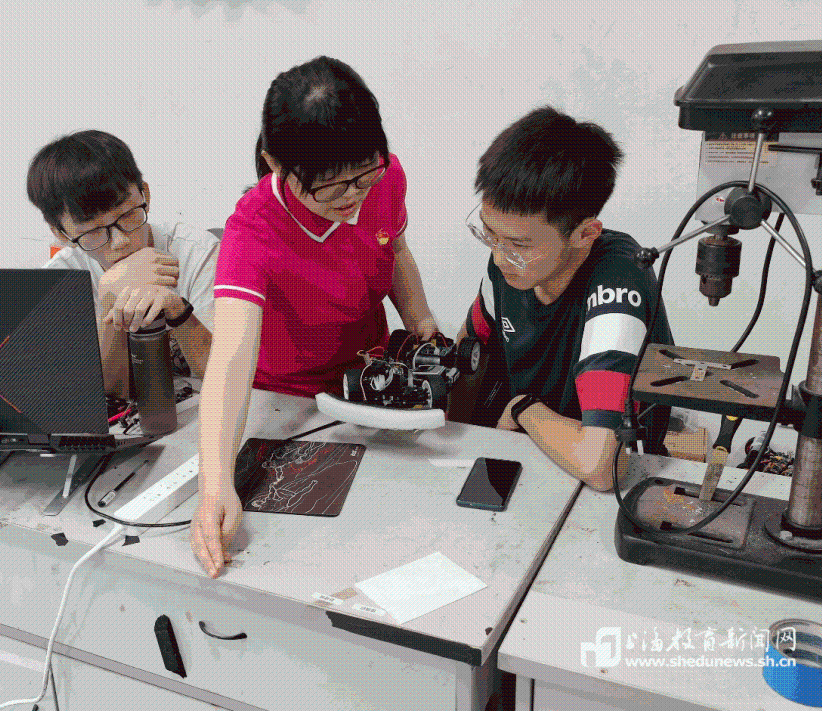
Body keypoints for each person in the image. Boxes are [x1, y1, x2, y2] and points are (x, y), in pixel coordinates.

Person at [191, 56, 438, 577]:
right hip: (289, 402)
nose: (353, 198)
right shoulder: (253, 229)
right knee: (304, 558)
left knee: (390, 532)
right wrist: (215, 486)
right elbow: (230, 358)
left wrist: (422, 325)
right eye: (330, 186)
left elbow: (395, 250)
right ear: (275, 163)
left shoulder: (385, 176)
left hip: (366, 383)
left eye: (362, 177)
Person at [449, 106, 672, 492]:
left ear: (585, 234)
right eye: (489, 234)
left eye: (519, 245)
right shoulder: (509, 266)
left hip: (606, 484)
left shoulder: (618, 283)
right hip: (529, 455)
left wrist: (523, 408)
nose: (499, 258)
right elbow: (469, 350)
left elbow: (601, 465)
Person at [30, 130, 218, 398]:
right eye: (94, 231)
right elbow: (106, 394)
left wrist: (177, 310)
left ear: (145, 195)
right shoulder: (62, 278)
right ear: (61, 234)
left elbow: (228, 377)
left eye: (128, 215)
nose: (120, 242)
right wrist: (109, 300)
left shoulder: (197, 252)